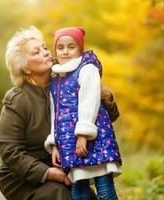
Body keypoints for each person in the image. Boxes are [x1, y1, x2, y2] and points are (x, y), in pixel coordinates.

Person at [0, 26, 120, 200]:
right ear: (24, 68)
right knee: (61, 196)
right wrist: (48, 172)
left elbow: (109, 117)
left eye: (45, 47)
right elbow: (10, 152)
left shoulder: (70, 75)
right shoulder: (17, 100)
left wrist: (105, 96)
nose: (46, 52)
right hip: (23, 177)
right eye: (36, 52)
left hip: (67, 165)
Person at [44, 27, 122, 200]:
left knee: (105, 192)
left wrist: (83, 135)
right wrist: (55, 143)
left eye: (71, 46)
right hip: (69, 143)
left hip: (94, 141)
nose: (65, 51)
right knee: (79, 194)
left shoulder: (87, 69)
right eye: (61, 47)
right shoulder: (56, 79)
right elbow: (54, 114)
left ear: (80, 48)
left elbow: (90, 102)